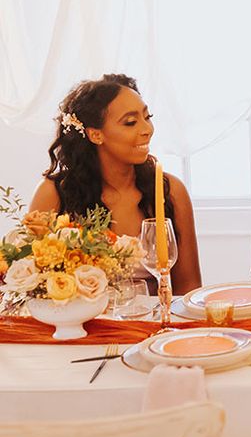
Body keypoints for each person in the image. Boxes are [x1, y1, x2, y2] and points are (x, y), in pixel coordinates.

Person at [28, 74, 202, 294]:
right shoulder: (54, 193)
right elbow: (35, 287)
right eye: (130, 122)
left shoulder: (170, 190)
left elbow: (188, 289)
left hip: (151, 323)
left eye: (147, 117)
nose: (147, 129)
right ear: (95, 134)